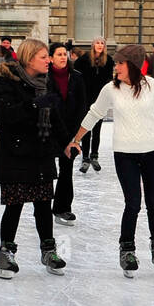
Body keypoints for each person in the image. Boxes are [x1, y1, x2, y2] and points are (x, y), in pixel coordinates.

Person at [67, 44, 154, 274]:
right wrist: (76, 139)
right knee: (132, 203)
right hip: (125, 154)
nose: (116, 68)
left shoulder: (153, 86)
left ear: (133, 65)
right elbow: (95, 113)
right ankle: (127, 249)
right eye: (115, 63)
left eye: (120, 63)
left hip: (153, 151)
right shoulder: (110, 89)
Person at [0, 39, 65, 278]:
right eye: (44, 57)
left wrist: (68, 143)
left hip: (40, 151)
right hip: (14, 152)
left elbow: (55, 119)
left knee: (44, 204)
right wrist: (34, 105)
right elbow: (6, 116)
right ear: (29, 58)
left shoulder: (46, 83)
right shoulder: (7, 82)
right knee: (15, 205)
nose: (49, 60)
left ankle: (48, 250)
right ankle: (6, 252)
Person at [47, 42, 89, 226]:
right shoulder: (44, 78)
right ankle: (42, 208)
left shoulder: (77, 77)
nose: (63, 57)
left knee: (66, 170)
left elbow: (82, 105)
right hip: (49, 131)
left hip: (70, 132)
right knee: (47, 171)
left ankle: (62, 207)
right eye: (59, 54)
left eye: (65, 54)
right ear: (51, 58)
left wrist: (75, 134)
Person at [73, 38, 114, 170]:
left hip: (100, 99)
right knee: (86, 127)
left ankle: (94, 156)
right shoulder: (84, 60)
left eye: (102, 43)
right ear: (93, 45)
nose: (100, 45)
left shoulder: (108, 60)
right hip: (86, 98)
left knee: (97, 129)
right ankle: (85, 157)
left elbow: (109, 79)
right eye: (97, 43)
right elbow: (76, 74)